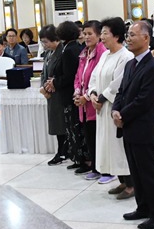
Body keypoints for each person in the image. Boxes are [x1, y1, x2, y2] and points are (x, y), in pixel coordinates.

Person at [113, 21, 154, 229]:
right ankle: (143, 207)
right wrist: (115, 110)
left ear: (146, 38)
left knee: (149, 172)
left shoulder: (153, 67)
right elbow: (121, 92)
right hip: (128, 127)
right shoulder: (131, 64)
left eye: (132, 35)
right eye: (127, 35)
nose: (128, 38)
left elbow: (144, 100)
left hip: (143, 128)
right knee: (136, 171)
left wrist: (123, 115)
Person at [89, 18, 135, 195]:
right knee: (107, 147)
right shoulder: (105, 55)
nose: (101, 37)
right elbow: (95, 77)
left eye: (105, 33)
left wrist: (101, 98)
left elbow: (118, 83)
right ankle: (122, 181)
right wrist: (93, 94)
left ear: (116, 36)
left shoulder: (125, 56)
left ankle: (131, 184)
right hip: (101, 107)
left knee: (118, 148)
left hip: (114, 107)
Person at [73, 21, 106, 178]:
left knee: (99, 137)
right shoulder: (84, 53)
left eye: (90, 34)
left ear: (98, 35)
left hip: (95, 101)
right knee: (89, 137)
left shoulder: (102, 52)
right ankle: (94, 167)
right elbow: (78, 76)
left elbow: (98, 79)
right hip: (83, 103)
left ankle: (104, 169)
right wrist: (77, 92)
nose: (86, 37)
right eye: (84, 34)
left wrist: (86, 96)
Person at [53, 21, 85, 170]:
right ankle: (76, 157)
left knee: (74, 127)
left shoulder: (69, 50)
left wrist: (55, 82)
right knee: (73, 127)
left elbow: (69, 76)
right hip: (73, 93)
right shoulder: (75, 47)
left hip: (70, 93)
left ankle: (80, 158)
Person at [39, 26, 68, 165]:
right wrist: (43, 87)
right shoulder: (48, 53)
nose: (44, 45)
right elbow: (43, 73)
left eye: (46, 41)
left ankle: (63, 152)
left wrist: (52, 85)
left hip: (60, 94)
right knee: (56, 124)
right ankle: (61, 151)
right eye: (42, 42)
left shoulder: (62, 52)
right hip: (50, 94)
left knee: (61, 124)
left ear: (55, 39)